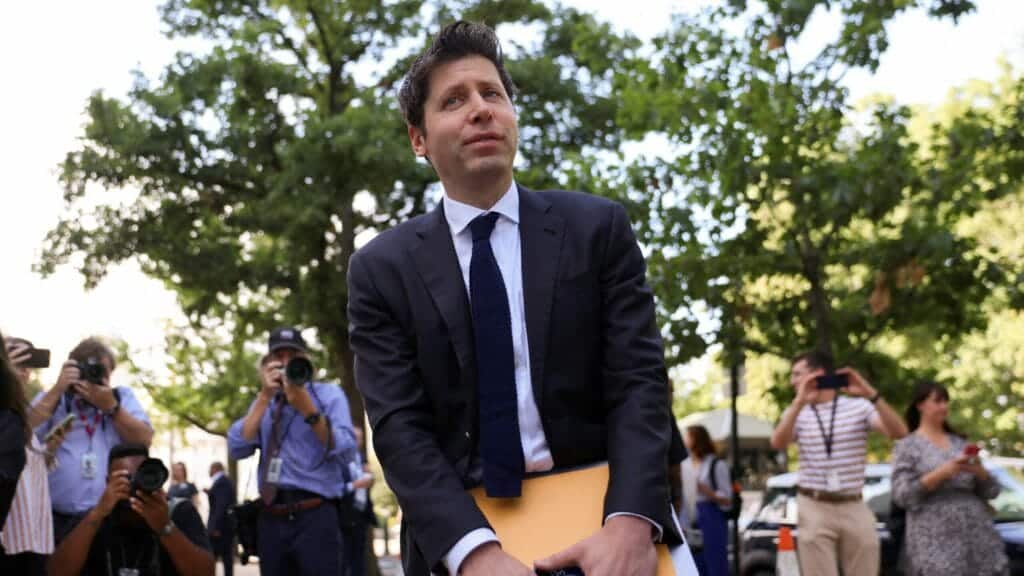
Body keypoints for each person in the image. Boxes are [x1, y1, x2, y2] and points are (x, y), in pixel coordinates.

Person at [347, 21, 688, 576]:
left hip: (606, 531)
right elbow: (399, 428)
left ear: (512, 115)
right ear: (418, 139)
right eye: (454, 100)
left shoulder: (597, 229)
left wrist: (630, 520)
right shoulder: (379, 270)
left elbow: (639, 383)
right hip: (460, 545)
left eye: (492, 94)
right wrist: (475, 554)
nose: (480, 109)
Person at [227, 327, 358, 576]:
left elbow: (346, 451)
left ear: (307, 361)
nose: (286, 364)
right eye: (278, 358)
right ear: (266, 366)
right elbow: (237, 447)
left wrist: (308, 409)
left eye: (293, 357)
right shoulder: (264, 404)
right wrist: (265, 397)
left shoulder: (328, 395)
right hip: (271, 517)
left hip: (316, 515)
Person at [770, 350, 908, 576]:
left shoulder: (859, 407)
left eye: (797, 374)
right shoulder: (797, 411)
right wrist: (798, 402)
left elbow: (899, 432)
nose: (792, 381)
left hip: (853, 502)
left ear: (817, 374)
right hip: (813, 503)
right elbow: (778, 442)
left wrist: (870, 394)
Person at [31, 337, 154, 542]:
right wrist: (58, 389)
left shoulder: (121, 397)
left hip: (111, 516)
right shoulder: (55, 399)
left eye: (99, 372)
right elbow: (24, 431)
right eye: (85, 370)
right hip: (57, 518)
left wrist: (111, 408)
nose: (91, 377)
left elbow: (144, 441)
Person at [891, 381, 1009, 576]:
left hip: (976, 534)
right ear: (920, 405)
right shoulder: (907, 446)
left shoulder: (960, 443)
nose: (944, 406)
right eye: (937, 401)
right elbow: (902, 496)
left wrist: (979, 472)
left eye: (946, 401)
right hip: (933, 538)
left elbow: (992, 491)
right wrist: (942, 473)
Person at [47, 443, 214, 576]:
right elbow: (56, 572)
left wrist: (165, 527)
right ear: (108, 482)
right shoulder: (94, 518)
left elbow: (206, 573)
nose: (135, 486)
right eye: (126, 479)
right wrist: (97, 515)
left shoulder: (178, 512)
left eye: (141, 477)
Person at [0, 337, 54, 575]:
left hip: (33, 533)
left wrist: (49, 449)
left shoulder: (19, 412)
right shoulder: (9, 416)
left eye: (27, 364)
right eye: (15, 358)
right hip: (10, 539)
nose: (24, 370)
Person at [680, 425, 730, 576]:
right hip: (694, 516)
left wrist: (707, 491)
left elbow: (727, 499)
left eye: (689, 437)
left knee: (715, 561)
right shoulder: (689, 464)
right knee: (697, 562)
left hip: (711, 515)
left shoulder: (716, 464)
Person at [339, 427, 377, 576]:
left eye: (360, 438)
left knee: (358, 560)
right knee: (343, 559)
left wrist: (370, 479)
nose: (357, 441)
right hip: (344, 516)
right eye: (354, 437)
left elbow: (366, 484)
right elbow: (335, 488)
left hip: (361, 515)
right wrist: (356, 485)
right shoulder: (340, 459)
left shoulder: (361, 458)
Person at [205, 461, 236, 576]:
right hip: (224, 527)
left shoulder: (222, 483)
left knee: (219, 557)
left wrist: (214, 527)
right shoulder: (223, 482)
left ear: (214, 469)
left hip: (221, 529)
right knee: (226, 557)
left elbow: (220, 507)